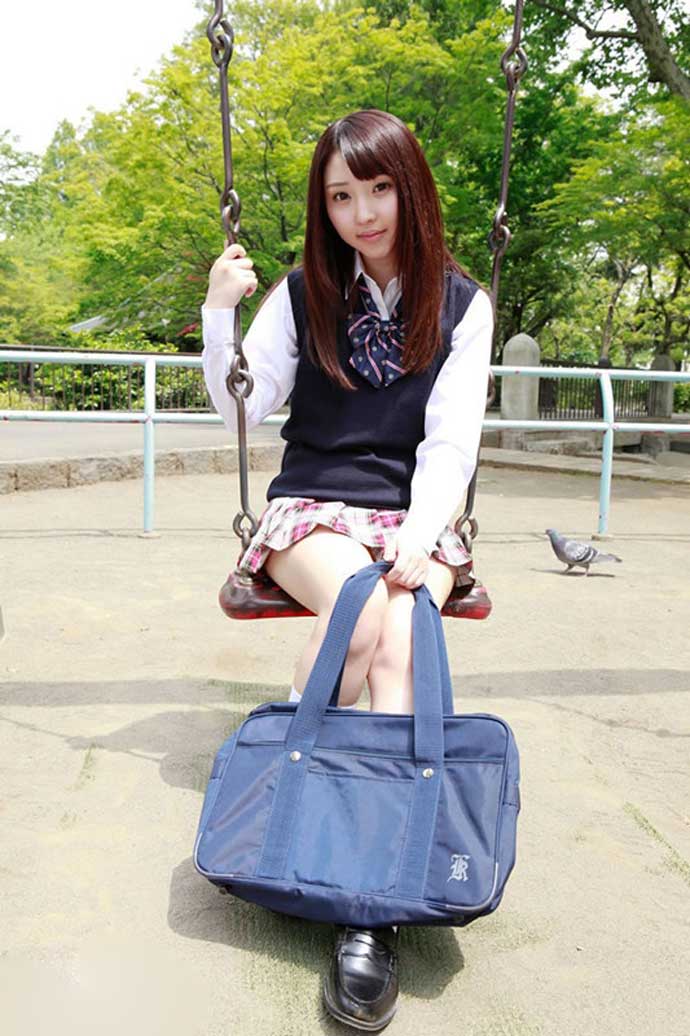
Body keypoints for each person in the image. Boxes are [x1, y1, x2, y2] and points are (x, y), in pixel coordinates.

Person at [201, 108, 493, 1031]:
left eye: (378, 190)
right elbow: (241, 410)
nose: (361, 214)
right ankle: (303, 806)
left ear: (411, 190)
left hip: (416, 511)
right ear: (321, 207)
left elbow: (450, 441)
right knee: (359, 613)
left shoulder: (463, 305)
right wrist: (218, 313)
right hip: (315, 505)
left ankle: (370, 897)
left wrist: (423, 531)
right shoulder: (302, 294)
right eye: (339, 197)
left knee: (402, 638)